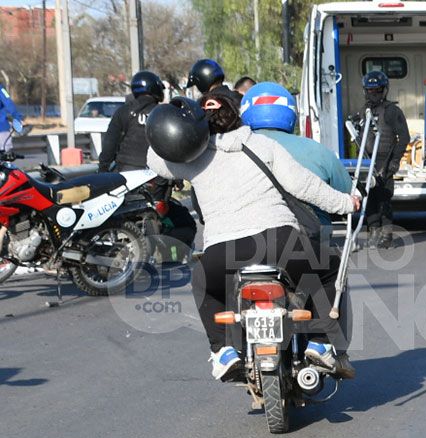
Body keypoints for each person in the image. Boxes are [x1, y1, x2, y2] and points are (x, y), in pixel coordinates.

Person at [146, 93, 361, 381]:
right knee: (330, 268)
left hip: (222, 255)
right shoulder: (262, 145)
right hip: (280, 244)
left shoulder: (193, 160)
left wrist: (172, 129)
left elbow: (155, 159)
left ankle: (222, 351)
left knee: (202, 282)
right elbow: (306, 187)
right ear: (240, 116)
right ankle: (320, 342)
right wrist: (346, 203)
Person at [98, 70, 198, 250]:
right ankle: (163, 248)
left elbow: (108, 148)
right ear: (156, 89)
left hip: (124, 182)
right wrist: (178, 177)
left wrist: (103, 174)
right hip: (156, 181)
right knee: (184, 222)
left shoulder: (123, 112)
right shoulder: (164, 112)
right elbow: (175, 147)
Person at [239, 82, 354, 237]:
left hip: (246, 240)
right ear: (291, 112)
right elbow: (345, 190)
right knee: (333, 260)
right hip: (310, 239)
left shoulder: (233, 150)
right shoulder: (317, 150)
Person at [358, 70, 411, 249]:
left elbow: (404, 138)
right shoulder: (364, 111)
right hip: (367, 161)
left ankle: (386, 235)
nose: (373, 94)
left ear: (385, 90)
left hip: (385, 160)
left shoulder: (392, 111)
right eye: (370, 91)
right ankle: (373, 232)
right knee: (369, 198)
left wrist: (394, 161)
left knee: (384, 198)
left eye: (377, 91)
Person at [0, 82, 24, 150]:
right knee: (4, 155)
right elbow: (8, 103)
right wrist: (17, 118)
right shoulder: (0, 89)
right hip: (2, 129)